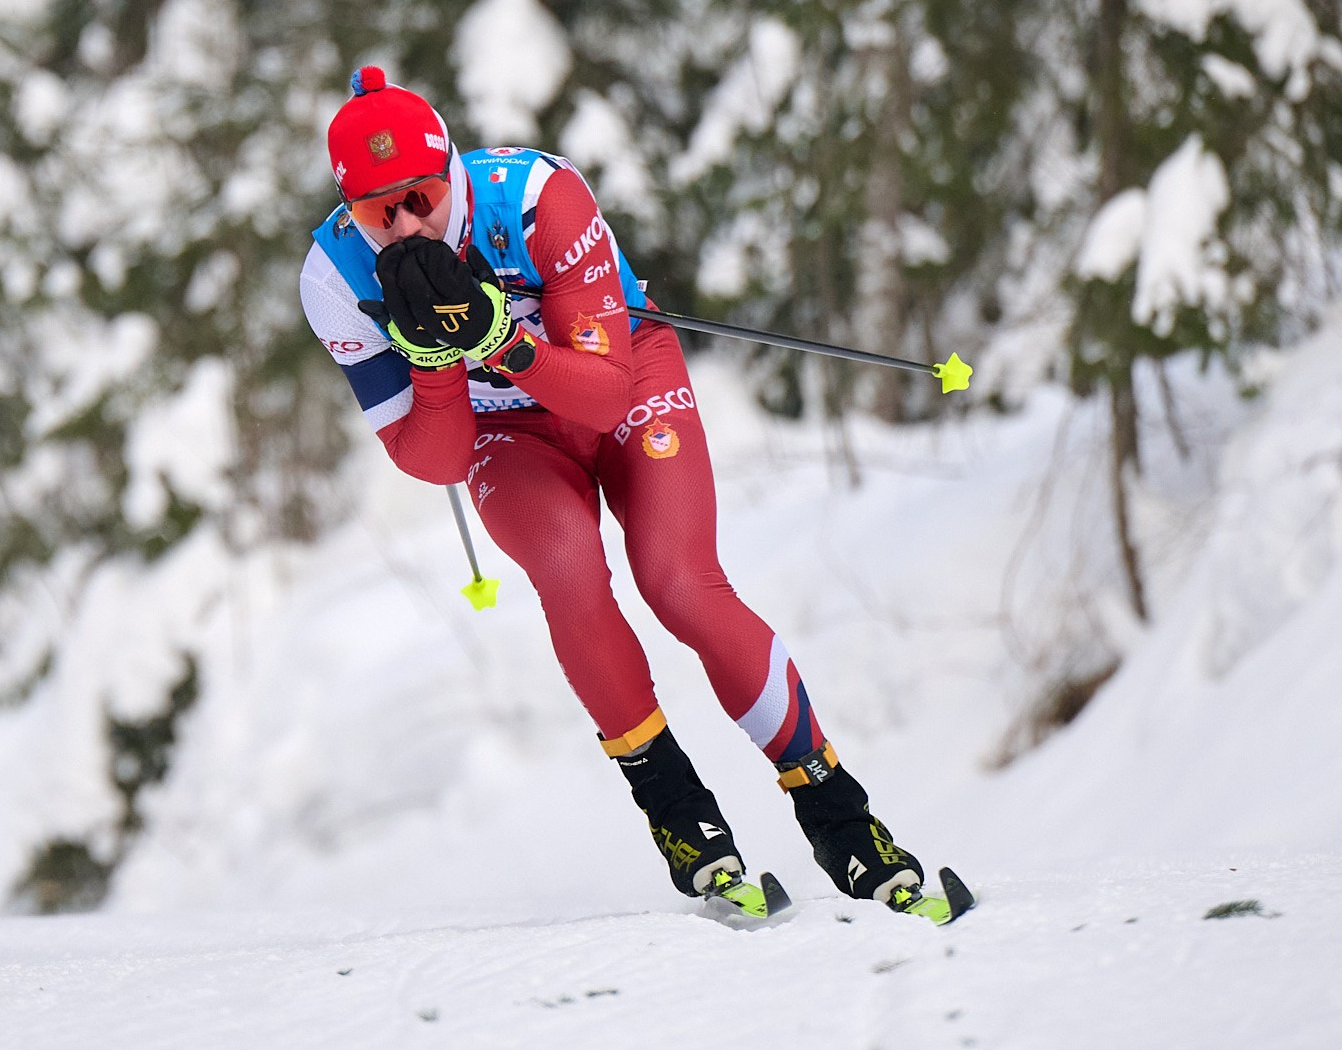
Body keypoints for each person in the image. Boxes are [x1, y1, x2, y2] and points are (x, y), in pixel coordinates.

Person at [299, 67, 970, 924]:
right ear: (348, 209)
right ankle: (684, 823)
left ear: (452, 171)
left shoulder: (536, 198)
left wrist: (501, 339)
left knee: (678, 579)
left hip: (616, 372)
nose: (405, 225)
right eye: (377, 211)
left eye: (421, 196)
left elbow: (607, 394)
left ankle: (844, 821)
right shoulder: (334, 278)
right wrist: (434, 366)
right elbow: (438, 461)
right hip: (509, 432)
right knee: (570, 568)